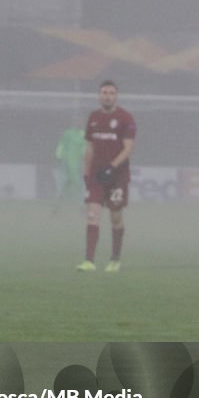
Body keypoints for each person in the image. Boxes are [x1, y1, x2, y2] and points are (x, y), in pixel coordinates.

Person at [76, 80, 136, 273]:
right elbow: (90, 148)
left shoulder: (125, 118)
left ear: (116, 96)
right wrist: (86, 173)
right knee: (92, 214)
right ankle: (89, 261)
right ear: (99, 95)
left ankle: (115, 259)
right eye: (104, 92)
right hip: (96, 174)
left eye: (111, 93)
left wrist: (112, 166)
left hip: (117, 176)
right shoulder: (93, 117)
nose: (107, 96)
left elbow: (128, 148)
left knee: (115, 216)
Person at [53, 123, 86, 210]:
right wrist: (58, 156)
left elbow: (85, 148)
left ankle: (81, 205)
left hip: (78, 165)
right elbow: (61, 145)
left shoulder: (84, 134)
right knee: (63, 184)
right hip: (66, 164)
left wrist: (84, 159)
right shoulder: (67, 133)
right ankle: (57, 206)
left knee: (80, 185)